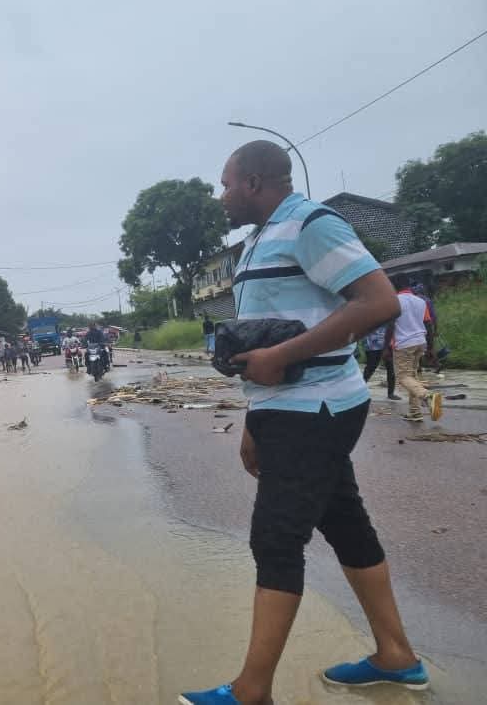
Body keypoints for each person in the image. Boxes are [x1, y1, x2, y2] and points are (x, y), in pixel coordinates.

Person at [180, 141, 427, 705]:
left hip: (318, 405)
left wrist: (284, 357)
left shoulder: (312, 223)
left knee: (275, 538)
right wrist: (254, 417)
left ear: (255, 182)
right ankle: (397, 656)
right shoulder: (257, 241)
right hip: (287, 408)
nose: (220, 197)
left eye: (225, 184)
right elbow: (266, 335)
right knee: (344, 524)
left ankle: (251, 692)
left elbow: (377, 300)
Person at [386, 280, 443, 423]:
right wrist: (430, 347)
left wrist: (385, 347)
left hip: (404, 344)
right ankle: (415, 413)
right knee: (413, 377)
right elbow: (428, 324)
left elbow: (390, 326)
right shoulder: (420, 301)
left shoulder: (395, 301)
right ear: (409, 287)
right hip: (420, 342)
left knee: (403, 377)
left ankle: (427, 395)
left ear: (394, 287)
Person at [361, 324, 399, 400]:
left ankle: (391, 393)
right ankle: (359, 390)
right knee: (371, 367)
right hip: (372, 343)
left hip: (385, 341)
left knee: (391, 368)